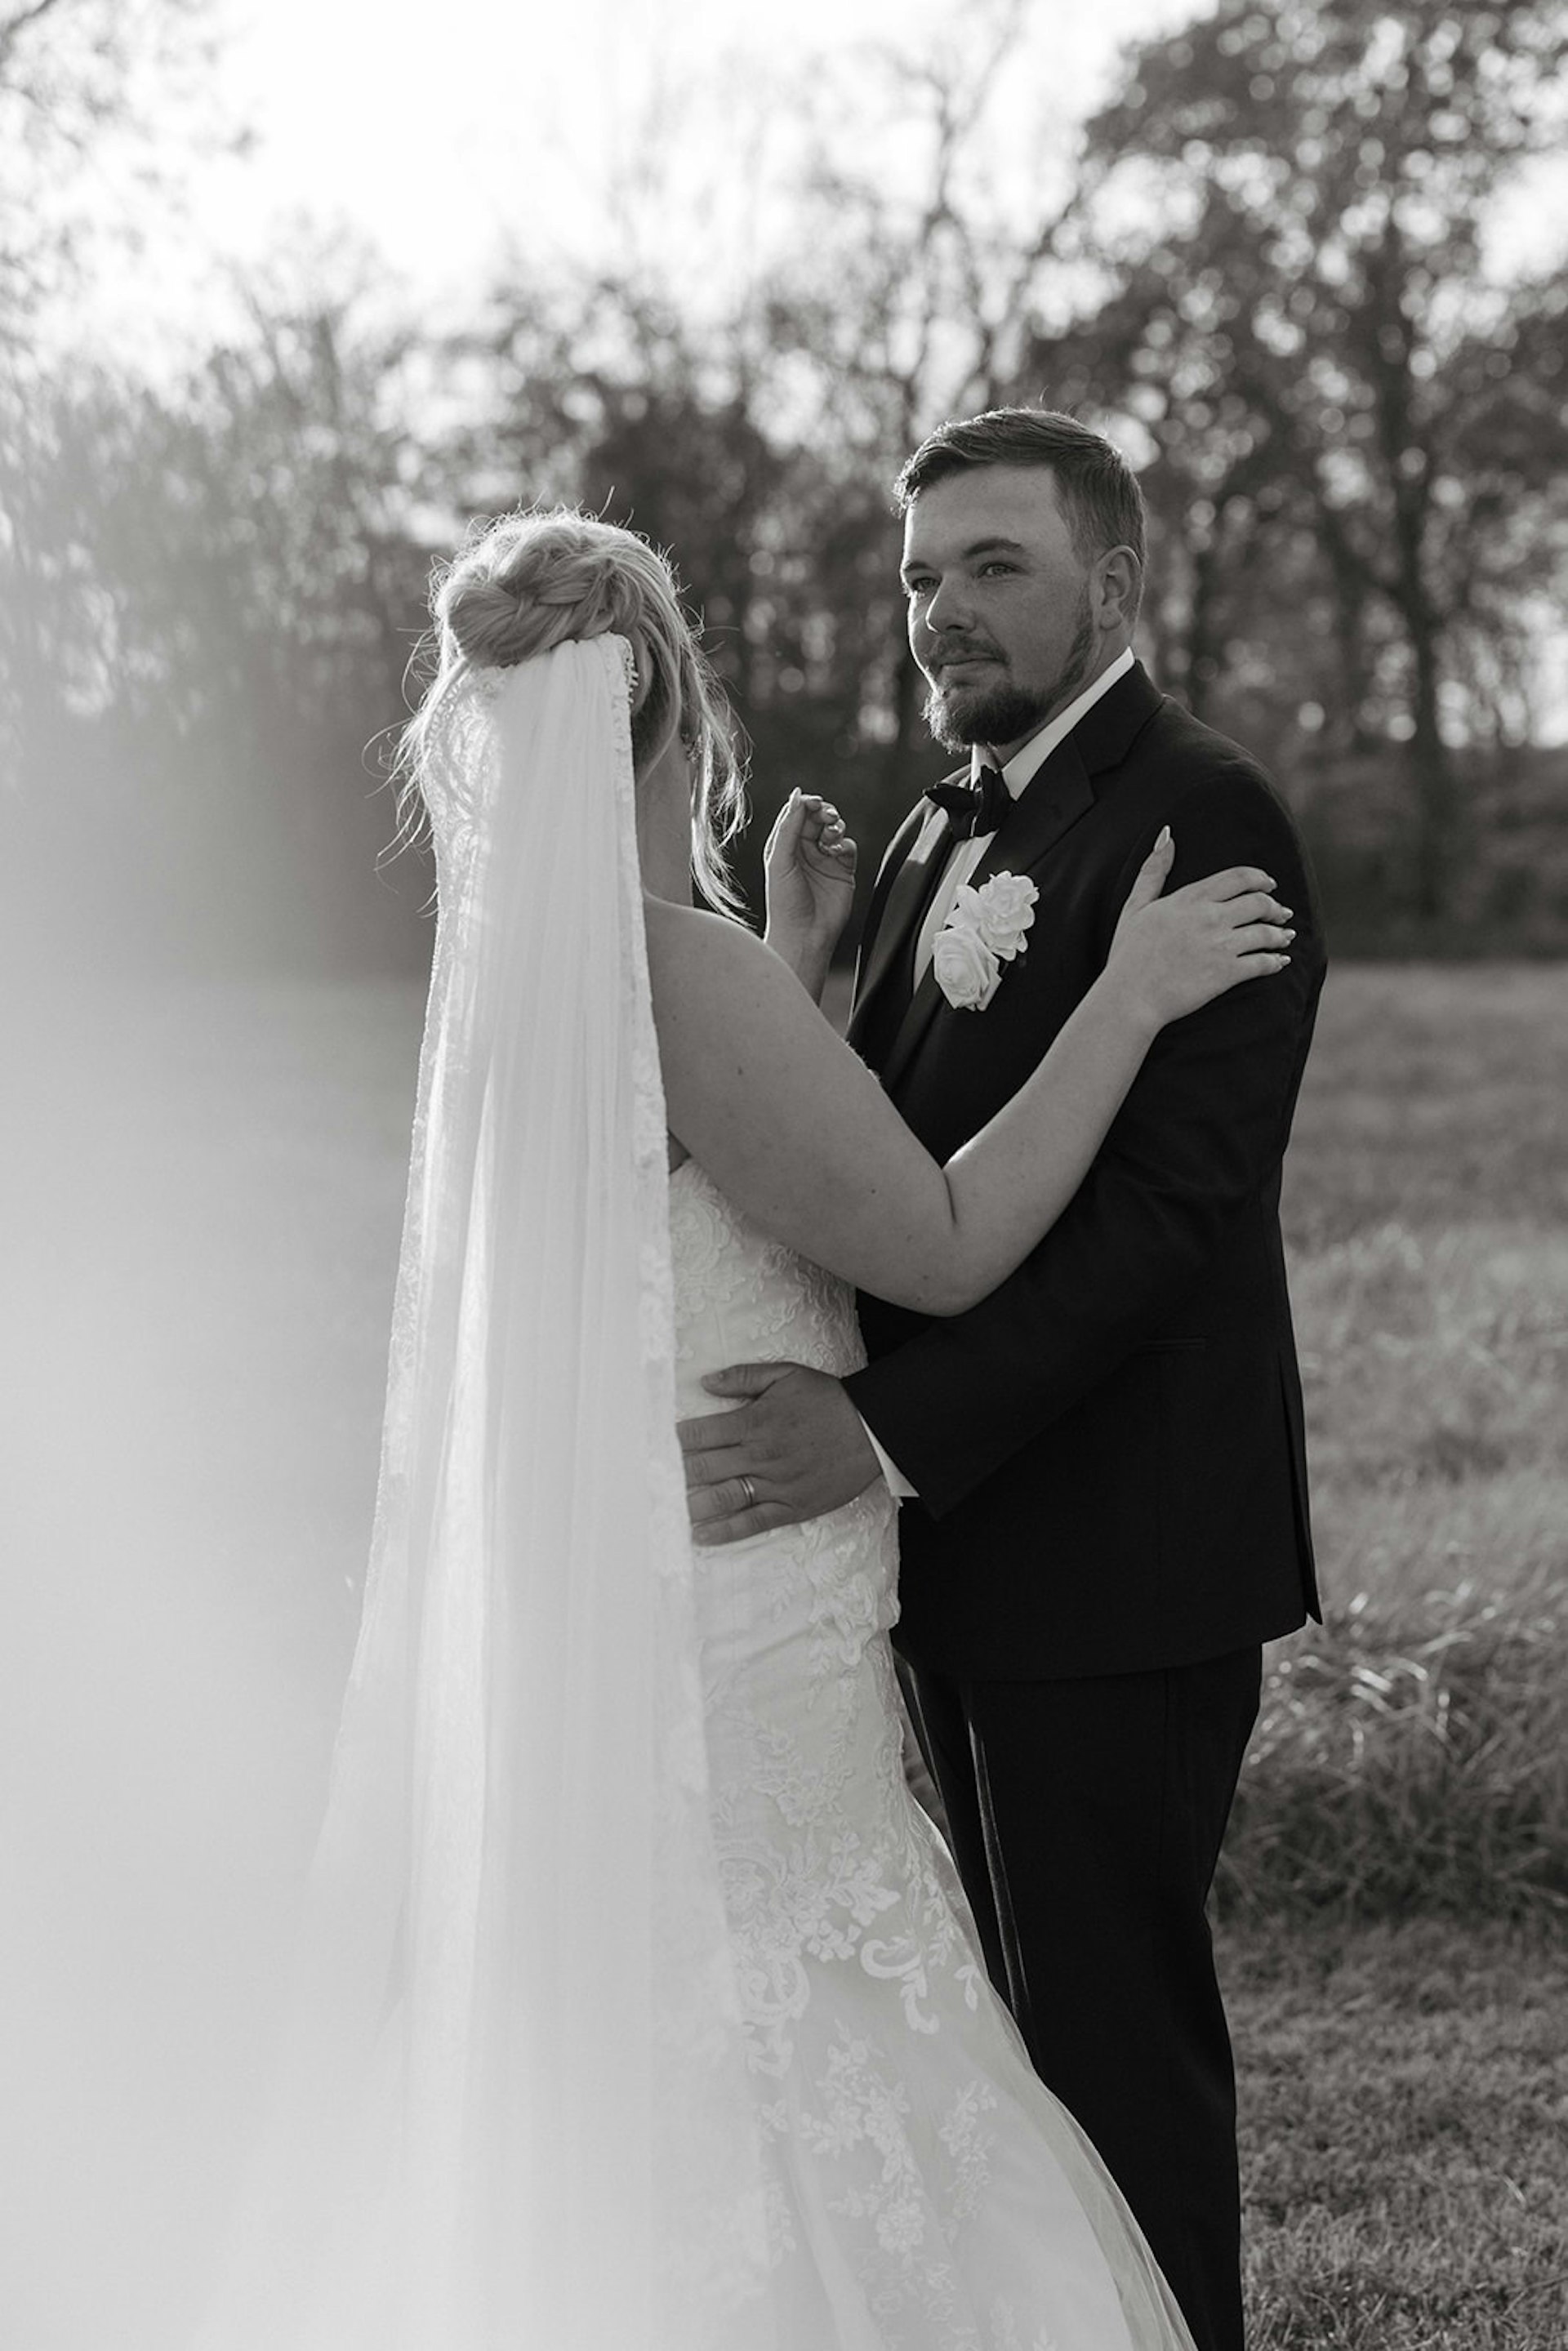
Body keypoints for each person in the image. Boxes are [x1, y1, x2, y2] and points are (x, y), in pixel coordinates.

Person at [193, 503, 1294, 2351]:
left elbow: (693, 1162)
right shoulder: (674, 971)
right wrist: (1126, 997)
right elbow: (936, 1247)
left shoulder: (536, 986)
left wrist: (793, 959)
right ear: (673, 706)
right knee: (806, 2021)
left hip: (647, 1587)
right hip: (747, 1625)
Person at [679, 409, 1327, 2351]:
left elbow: (1163, 1231)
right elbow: (871, 1164)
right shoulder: (935, 822)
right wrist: (808, 962)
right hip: (945, 1558)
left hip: (1119, 1556)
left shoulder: (1198, 817)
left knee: (1110, 2042)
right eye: (920, 578)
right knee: (994, 2055)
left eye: (993, 567)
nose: (939, 612)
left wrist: (877, 1436)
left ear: (1112, 582)